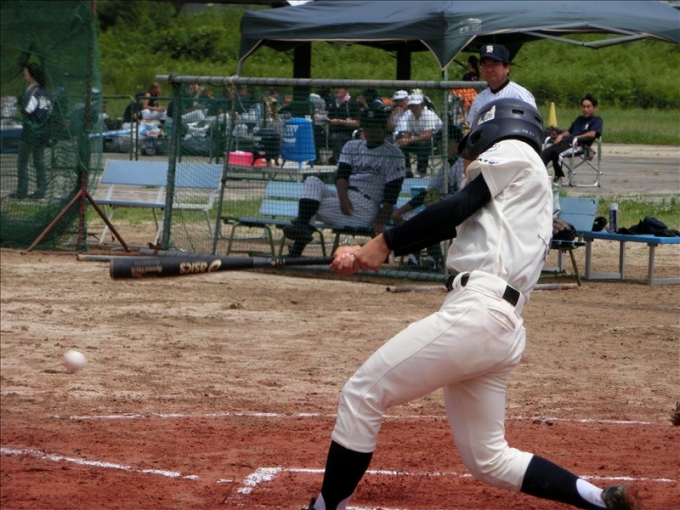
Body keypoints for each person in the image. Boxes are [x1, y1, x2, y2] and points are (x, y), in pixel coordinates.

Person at [302, 98, 641, 510]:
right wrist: (372, 250)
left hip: (479, 311)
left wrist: (385, 242)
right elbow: (450, 224)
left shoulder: (514, 149)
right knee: (489, 459)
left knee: (362, 394)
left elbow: (457, 206)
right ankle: (601, 501)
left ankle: (325, 507)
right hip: (500, 325)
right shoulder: (523, 187)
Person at [282, 107, 405, 258]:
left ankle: (299, 241)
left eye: (375, 126)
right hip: (345, 197)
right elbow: (341, 176)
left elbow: (393, 190)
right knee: (312, 180)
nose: (371, 130)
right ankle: (302, 228)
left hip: (366, 206)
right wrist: (343, 198)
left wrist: (381, 220)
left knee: (308, 210)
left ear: (384, 128)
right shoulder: (352, 146)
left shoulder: (394, 154)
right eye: (368, 126)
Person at [466, 44, 536, 127]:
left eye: (494, 64)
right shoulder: (479, 99)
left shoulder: (520, 95)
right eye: (484, 64)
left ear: (507, 68)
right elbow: (471, 128)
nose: (489, 69)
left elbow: (533, 126)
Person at [11, 63, 52, 199]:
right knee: (39, 161)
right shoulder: (45, 92)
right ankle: (41, 190)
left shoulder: (33, 92)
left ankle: (22, 191)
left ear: (31, 76)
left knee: (22, 161)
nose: (25, 76)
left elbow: (28, 109)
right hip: (43, 132)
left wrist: (20, 103)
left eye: (26, 74)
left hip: (31, 133)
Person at [541, 94, 603, 184]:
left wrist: (577, 137)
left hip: (579, 145)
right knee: (545, 153)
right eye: (584, 107)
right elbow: (570, 131)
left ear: (595, 108)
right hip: (567, 142)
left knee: (557, 153)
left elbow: (593, 134)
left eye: (588, 107)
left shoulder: (597, 120)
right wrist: (561, 135)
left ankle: (558, 178)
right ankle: (540, 176)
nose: (586, 109)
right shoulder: (579, 119)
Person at [394, 94, 443, 177]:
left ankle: (421, 171)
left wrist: (408, 140)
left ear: (422, 105)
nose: (414, 108)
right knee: (400, 140)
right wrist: (404, 140)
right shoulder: (410, 116)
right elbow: (408, 133)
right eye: (412, 105)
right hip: (420, 138)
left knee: (423, 143)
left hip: (436, 140)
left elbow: (427, 135)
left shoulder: (428, 115)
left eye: (416, 105)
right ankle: (406, 169)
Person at [326, 87, 362, 164]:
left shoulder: (352, 103)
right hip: (333, 133)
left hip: (349, 134)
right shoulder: (332, 102)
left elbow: (357, 123)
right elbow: (328, 117)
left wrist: (340, 122)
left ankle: (341, 162)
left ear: (346, 90)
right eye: (335, 88)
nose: (336, 90)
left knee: (335, 137)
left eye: (340, 88)